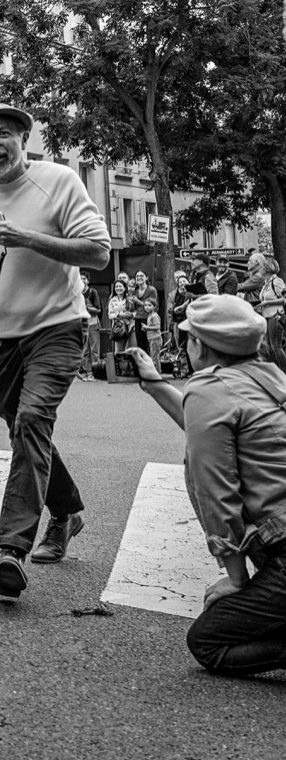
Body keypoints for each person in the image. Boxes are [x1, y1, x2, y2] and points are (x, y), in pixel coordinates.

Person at [0, 104, 110, 599]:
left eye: (2, 135)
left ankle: (11, 551)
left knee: (33, 420)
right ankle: (66, 510)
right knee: (20, 423)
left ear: (23, 139)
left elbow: (99, 251)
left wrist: (27, 239)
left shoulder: (58, 182)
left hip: (56, 326)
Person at [128, 295, 286, 676]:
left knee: (207, 641)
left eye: (188, 337)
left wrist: (235, 578)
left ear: (199, 345)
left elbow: (215, 489)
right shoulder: (270, 377)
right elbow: (208, 426)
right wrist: (154, 383)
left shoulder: (208, 389)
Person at [78, 273, 103, 381]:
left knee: (94, 350)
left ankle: (95, 372)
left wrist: (86, 308)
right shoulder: (76, 292)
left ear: (88, 281)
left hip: (92, 323)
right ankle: (88, 373)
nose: (82, 280)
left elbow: (99, 309)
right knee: (85, 351)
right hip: (81, 324)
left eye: (84, 278)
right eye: (80, 278)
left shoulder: (93, 292)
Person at [170, 270, 194, 378]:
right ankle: (184, 370)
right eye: (179, 280)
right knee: (180, 347)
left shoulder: (192, 294)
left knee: (192, 345)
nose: (182, 283)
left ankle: (193, 369)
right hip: (178, 323)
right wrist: (181, 307)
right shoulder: (172, 294)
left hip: (190, 322)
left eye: (184, 280)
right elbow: (171, 310)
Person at [131, 271, 159, 353]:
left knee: (150, 343)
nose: (139, 277)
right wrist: (132, 302)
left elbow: (153, 306)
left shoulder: (151, 290)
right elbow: (133, 307)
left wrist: (137, 301)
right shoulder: (134, 291)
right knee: (140, 344)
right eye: (137, 276)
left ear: (146, 277)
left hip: (149, 318)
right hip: (138, 318)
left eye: (141, 276)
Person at [107, 279, 134, 354]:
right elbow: (110, 315)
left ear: (125, 288)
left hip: (130, 326)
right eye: (116, 286)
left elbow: (135, 311)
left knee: (131, 350)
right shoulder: (112, 300)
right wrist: (119, 314)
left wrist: (131, 315)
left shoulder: (130, 299)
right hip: (119, 327)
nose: (118, 288)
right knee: (119, 352)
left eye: (120, 286)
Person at [143, 298, 163, 364]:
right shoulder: (149, 316)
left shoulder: (154, 316)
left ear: (154, 307)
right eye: (145, 305)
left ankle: (156, 372)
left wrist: (147, 327)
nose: (147, 307)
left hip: (155, 339)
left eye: (149, 305)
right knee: (153, 357)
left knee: (155, 358)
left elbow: (158, 327)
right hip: (151, 339)